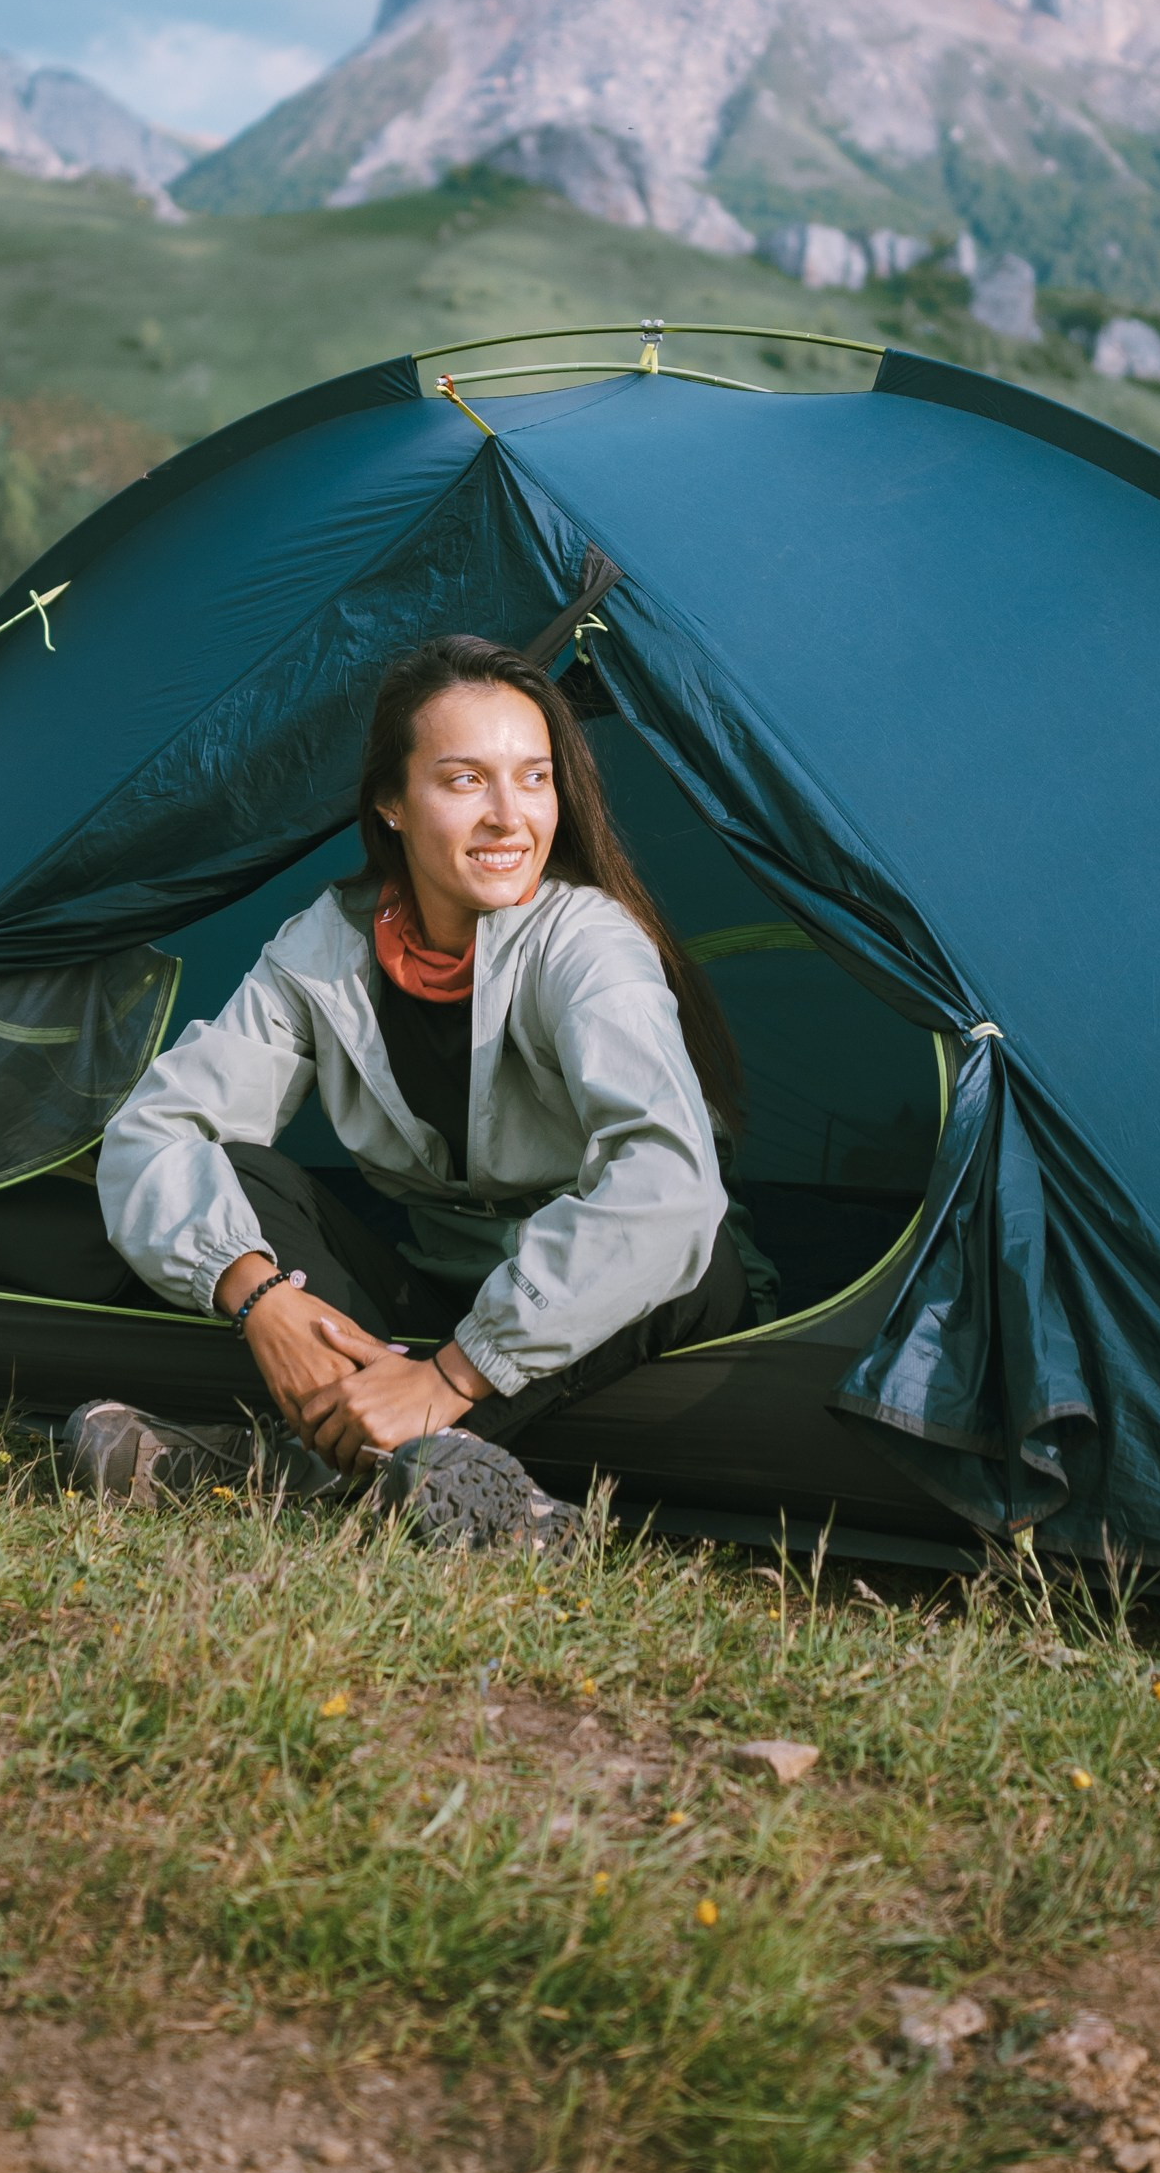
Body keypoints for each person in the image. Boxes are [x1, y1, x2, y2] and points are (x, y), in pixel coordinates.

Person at [63, 634, 752, 1546]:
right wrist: (255, 1293)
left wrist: (452, 1377)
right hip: (440, 1299)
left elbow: (669, 1192)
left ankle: (272, 1473)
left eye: (534, 778)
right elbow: (156, 1132)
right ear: (390, 801)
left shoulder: (588, 945)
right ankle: (504, 1509)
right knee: (236, 1170)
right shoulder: (326, 949)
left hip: (630, 1312)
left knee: (685, 1251)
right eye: (465, 780)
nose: (510, 818)